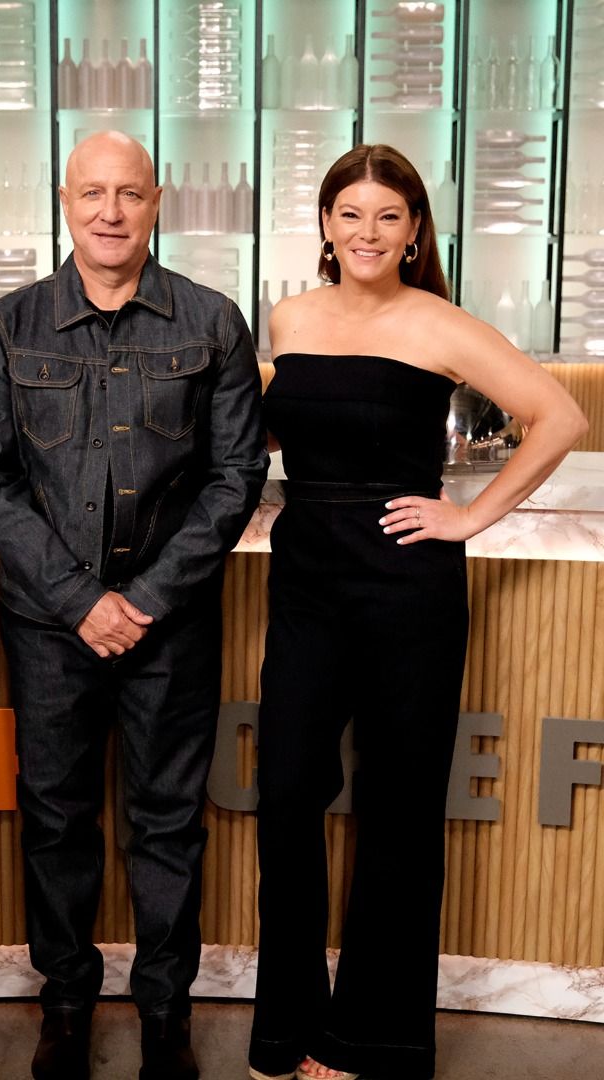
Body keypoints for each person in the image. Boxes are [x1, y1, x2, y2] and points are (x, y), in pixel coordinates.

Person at [248, 144, 587, 1080]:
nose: (367, 232)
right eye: (350, 213)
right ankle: (284, 1028)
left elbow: (560, 418)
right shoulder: (290, 318)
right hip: (308, 577)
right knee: (286, 797)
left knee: (397, 810)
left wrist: (470, 516)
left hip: (409, 584)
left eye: (387, 217)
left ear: (413, 232)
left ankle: (368, 1040)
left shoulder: (441, 324)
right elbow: (289, 434)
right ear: (324, 225)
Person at [0, 131, 267, 1080]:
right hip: (51, 627)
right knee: (55, 818)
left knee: (168, 821)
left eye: (129, 193)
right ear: (64, 200)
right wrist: (82, 600)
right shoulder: (8, 328)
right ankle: (65, 1008)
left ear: (157, 200)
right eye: (92, 193)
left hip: (170, 625)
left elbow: (235, 477)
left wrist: (142, 600)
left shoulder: (213, 323)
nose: (110, 212)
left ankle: (166, 1016)